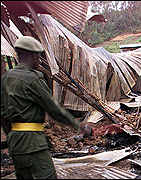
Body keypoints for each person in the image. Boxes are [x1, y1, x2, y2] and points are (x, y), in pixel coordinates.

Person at [0, 36, 84, 179]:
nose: (39, 61)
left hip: (15, 144)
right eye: (38, 57)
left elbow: (2, 113)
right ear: (32, 56)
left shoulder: (6, 78)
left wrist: (13, 135)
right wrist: (79, 126)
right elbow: (54, 109)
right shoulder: (33, 78)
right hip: (33, 143)